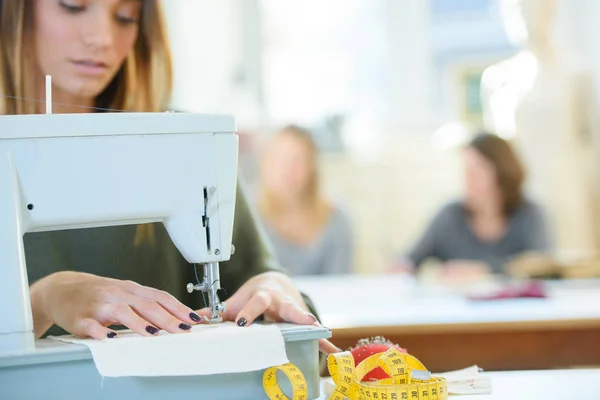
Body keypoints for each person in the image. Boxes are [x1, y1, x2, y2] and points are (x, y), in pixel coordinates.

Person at [0, 0, 337, 354]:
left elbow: (286, 315)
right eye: (73, 6)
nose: (102, 38)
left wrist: (276, 288)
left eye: (125, 17)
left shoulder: (190, 145)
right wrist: (41, 301)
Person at [395, 132, 551, 278]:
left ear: (501, 172)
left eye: (475, 172)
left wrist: (485, 270)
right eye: (466, 172)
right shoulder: (450, 216)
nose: (468, 180)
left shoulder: (529, 214)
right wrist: (401, 266)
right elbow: (411, 259)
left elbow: (541, 266)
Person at [257, 125, 354, 276]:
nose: (287, 169)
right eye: (280, 158)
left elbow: (339, 285)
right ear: (265, 163)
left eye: (297, 160)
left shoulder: (337, 220)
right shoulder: (249, 219)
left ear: (312, 168)